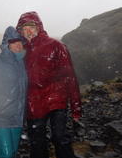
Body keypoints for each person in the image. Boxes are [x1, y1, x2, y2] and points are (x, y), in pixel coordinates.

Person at [16, 11, 82, 158]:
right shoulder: (21, 51)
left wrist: (76, 107)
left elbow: (69, 77)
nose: (28, 31)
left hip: (56, 99)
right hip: (34, 102)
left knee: (60, 138)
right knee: (37, 142)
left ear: (39, 27)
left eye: (31, 27)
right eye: (23, 28)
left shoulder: (56, 45)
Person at [0, 26, 27, 158]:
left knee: (12, 151)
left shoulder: (22, 63)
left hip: (18, 116)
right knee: (7, 154)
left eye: (19, 41)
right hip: (1, 116)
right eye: (14, 42)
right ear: (7, 44)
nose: (18, 45)